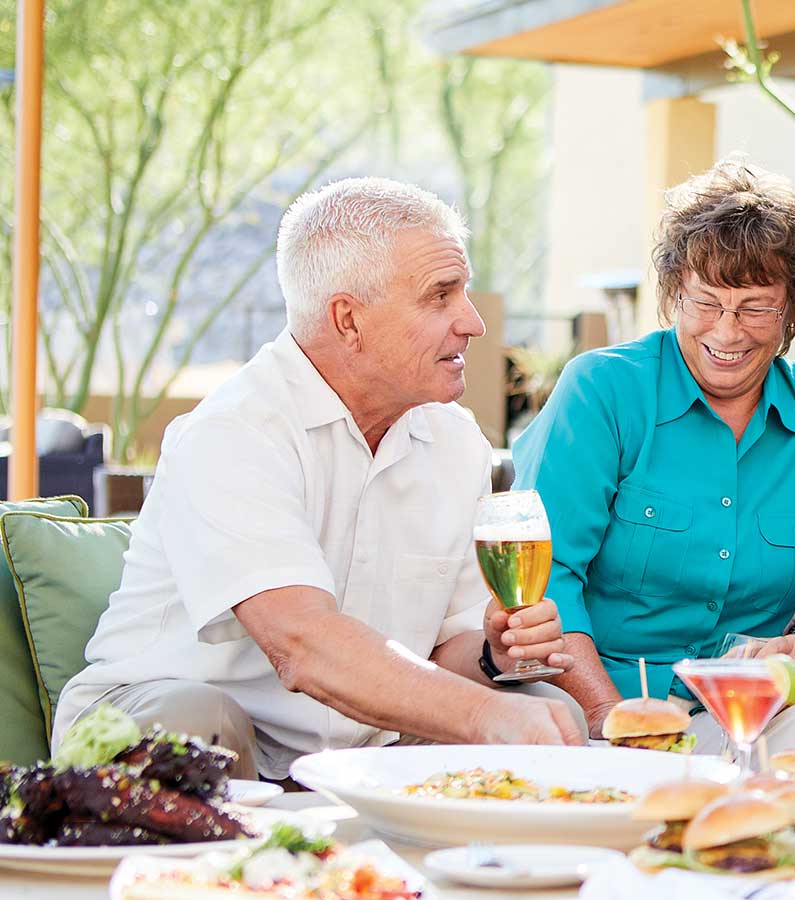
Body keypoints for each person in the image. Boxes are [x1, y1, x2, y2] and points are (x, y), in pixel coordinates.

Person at [53, 178, 584, 780]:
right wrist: (484, 716)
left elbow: (443, 655)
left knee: (551, 711)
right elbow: (302, 644)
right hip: (170, 723)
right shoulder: (234, 432)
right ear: (348, 320)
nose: (474, 322)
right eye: (440, 296)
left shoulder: (457, 442)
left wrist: (492, 653)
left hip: (359, 747)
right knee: (199, 724)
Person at [514, 161, 795, 757]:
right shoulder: (601, 390)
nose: (727, 333)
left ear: (792, 312)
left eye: (755, 308)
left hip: (739, 713)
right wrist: (610, 717)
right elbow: (543, 576)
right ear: (674, 295)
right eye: (706, 302)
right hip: (589, 705)